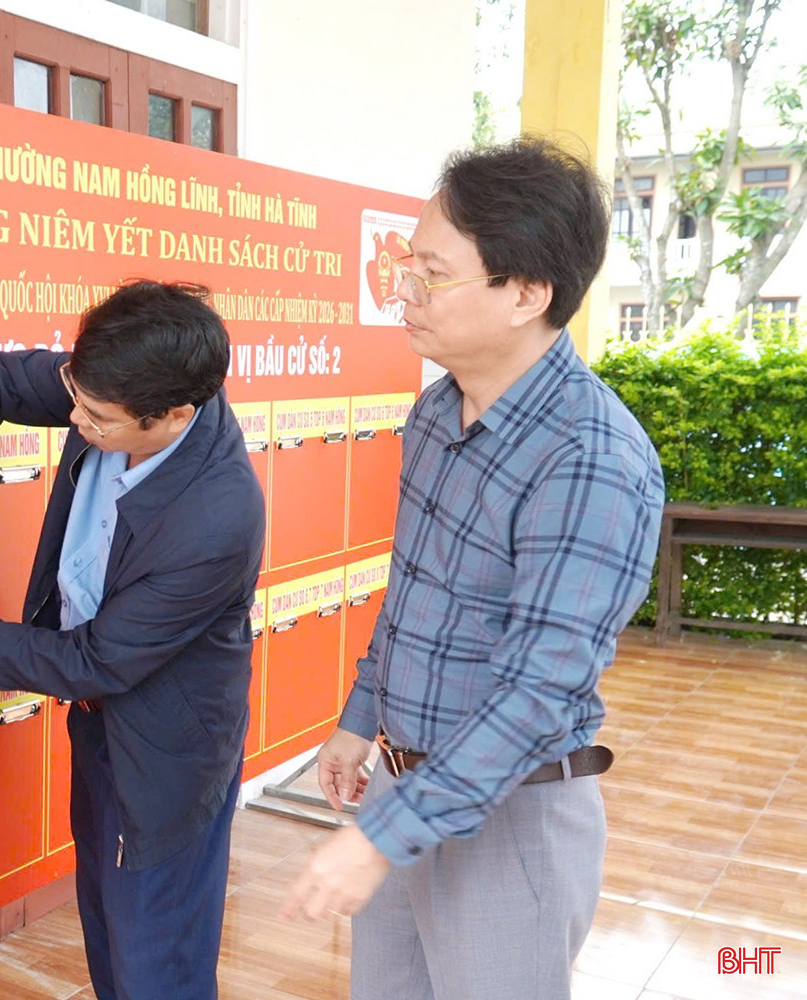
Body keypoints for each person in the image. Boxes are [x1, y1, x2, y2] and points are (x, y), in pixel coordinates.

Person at [279, 136, 666, 1000]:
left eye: (433, 274)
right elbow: (414, 588)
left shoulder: (588, 458)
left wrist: (379, 838)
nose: (404, 292)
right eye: (407, 267)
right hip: (402, 785)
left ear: (526, 293)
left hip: (512, 816)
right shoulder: (435, 412)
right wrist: (361, 717)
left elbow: (540, 692)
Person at [0, 280, 265, 1000]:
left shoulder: (216, 516)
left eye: (96, 420)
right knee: (108, 936)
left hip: (164, 754)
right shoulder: (113, 389)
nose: (75, 421)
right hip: (100, 728)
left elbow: (94, 661)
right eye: (74, 399)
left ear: (173, 417)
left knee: (156, 962)